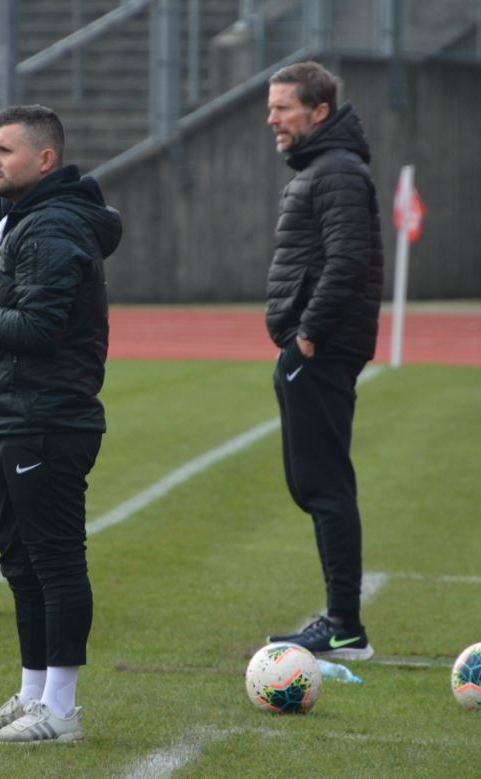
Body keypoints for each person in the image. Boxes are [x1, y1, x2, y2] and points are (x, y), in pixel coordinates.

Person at [0, 105, 122, 743]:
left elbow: (41, 327)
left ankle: (62, 711)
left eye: (5, 150)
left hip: (47, 418)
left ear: (45, 159)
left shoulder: (52, 225)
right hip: (17, 415)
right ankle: (33, 696)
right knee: (21, 565)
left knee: (55, 563)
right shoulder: (28, 218)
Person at [263, 61, 384, 659]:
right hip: (317, 346)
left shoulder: (336, 169)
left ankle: (344, 627)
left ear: (319, 112)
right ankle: (342, 621)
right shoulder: (325, 167)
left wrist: (307, 337)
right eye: (271, 107)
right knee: (316, 483)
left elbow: (347, 260)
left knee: (325, 484)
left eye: (282, 107)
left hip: (323, 347)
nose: (272, 119)